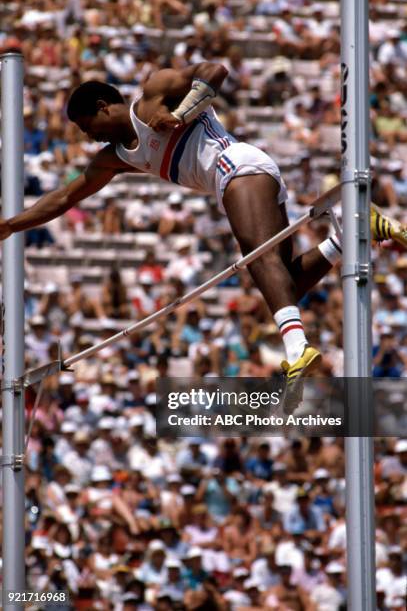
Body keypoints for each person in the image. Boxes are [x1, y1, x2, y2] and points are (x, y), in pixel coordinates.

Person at [0, 62, 406, 403]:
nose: (88, 137)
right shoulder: (115, 158)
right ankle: (352, 236)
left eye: (87, 126)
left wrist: (180, 113)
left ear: (103, 106)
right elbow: (64, 197)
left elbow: (215, 70)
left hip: (236, 167)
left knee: (259, 259)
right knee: (285, 281)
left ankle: (298, 350)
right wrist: (9, 226)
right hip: (239, 179)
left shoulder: (152, 95)